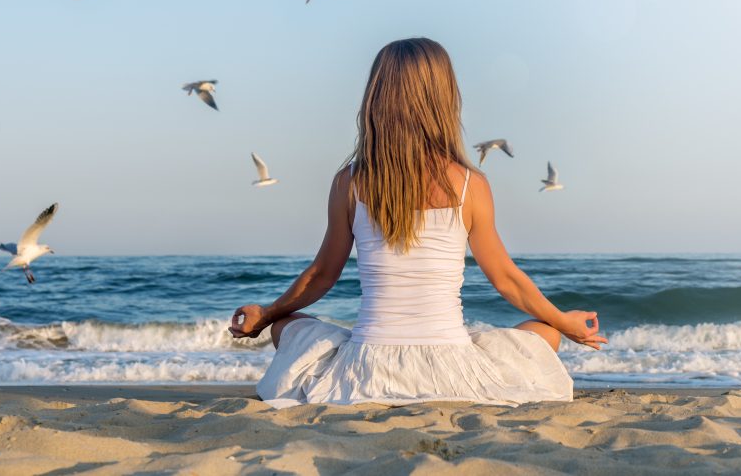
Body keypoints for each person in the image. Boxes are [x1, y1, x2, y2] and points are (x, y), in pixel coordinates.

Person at [229, 37, 607, 406]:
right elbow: (506, 280)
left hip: (367, 363)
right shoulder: (470, 185)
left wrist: (268, 315)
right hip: (451, 362)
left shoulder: (350, 181)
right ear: (443, 99)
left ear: (376, 99)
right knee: (546, 334)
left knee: (286, 328)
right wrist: (563, 321)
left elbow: (322, 274)